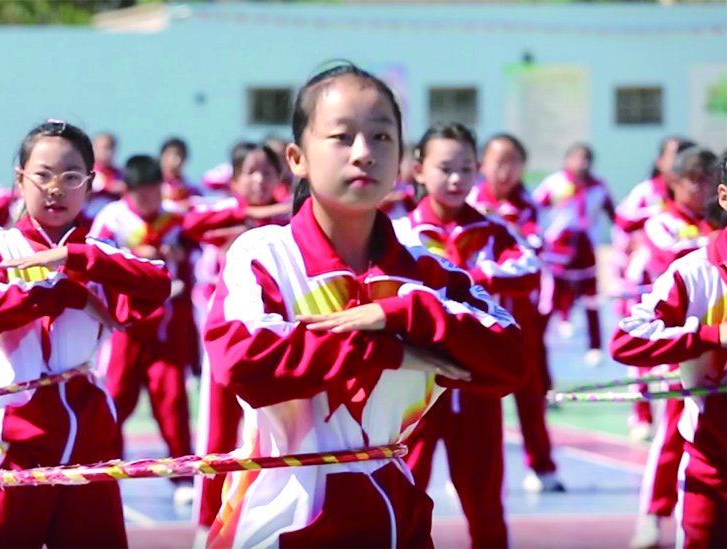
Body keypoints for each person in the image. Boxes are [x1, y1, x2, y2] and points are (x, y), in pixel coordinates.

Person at [203, 62, 525, 547]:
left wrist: (403, 313)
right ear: (297, 158)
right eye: (341, 136)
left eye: (381, 138)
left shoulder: (427, 274)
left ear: (401, 161)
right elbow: (242, 365)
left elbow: (511, 359)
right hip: (282, 518)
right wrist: (389, 351)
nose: (364, 154)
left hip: (397, 514)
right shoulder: (265, 254)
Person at [0, 119, 171, 548]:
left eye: (71, 176)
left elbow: (158, 284)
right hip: (15, 441)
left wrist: (79, 259)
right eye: (42, 175)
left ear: (90, 184)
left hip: (88, 440)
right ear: (19, 179)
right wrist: (62, 293)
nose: (56, 188)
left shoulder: (97, 254)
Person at [394, 123, 542, 548]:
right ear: (419, 170)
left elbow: (531, 269)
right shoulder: (401, 234)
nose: (456, 179)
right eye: (445, 168)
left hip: (477, 385)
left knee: (485, 501)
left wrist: (465, 278)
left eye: (466, 168)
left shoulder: (494, 232)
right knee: (404, 493)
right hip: (416, 388)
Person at [611, 151, 727, 549]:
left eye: (701, 178)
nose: (696, 186)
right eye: (689, 178)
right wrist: (711, 336)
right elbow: (626, 340)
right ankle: (651, 517)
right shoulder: (694, 268)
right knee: (667, 440)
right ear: (724, 197)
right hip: (713, 459)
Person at [181, 141, 290, 528]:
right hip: (224, 342)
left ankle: (268, 517)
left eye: (266, 172)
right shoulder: (221, 213)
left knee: (277, 430)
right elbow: (191, 225)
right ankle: (209, 522)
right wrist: (254, 213)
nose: (258, 180)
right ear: (235, 177)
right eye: (250, 171)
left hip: (274, 343)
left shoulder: (287, 225)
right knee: (218, 429)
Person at [90, 153, 195, 506]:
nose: (147, 198)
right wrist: (134, 253)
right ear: (127, 191)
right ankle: (107, 469)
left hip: (163, 332)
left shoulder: (175, 220)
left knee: (173, 403)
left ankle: (183, 478)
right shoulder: (111, 220)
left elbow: (198, 248)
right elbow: (95, 264)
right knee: (114, 399)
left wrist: (176, 251)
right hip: (125, 330)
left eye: (153, 190)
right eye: (140, 191)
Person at [469, 133, 565, 493]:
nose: (505, 169)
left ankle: (541, 465)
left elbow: (533, 249)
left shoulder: (529, 206)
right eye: (498, 160)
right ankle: (472, 468)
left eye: (513, 161)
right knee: (472, 393)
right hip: (477, 315)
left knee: (530, 389)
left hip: (522, 315)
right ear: (483, 165)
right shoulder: (469, 202)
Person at [614, 136, 695, 441]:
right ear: (661, 161)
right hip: (644, 281)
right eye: (674, 157)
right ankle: (641, 414)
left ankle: (677, 410)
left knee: (677, 348)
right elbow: (622, 220)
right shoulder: (647, 192)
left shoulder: (697, 195)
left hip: (682, 286)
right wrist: (658, 214)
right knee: (642, 348)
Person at [534, 143, 616, 366]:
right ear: (567, 160)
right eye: (577, 158)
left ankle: (595, 346)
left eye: (586, 159)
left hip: (585, 247)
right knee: (551, 296)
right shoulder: (555, 183)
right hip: (558, 248)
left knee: (591, 298)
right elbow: (534, 208)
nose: (582, 164)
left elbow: (614, 214)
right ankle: (546, 334)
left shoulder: (598, 187)